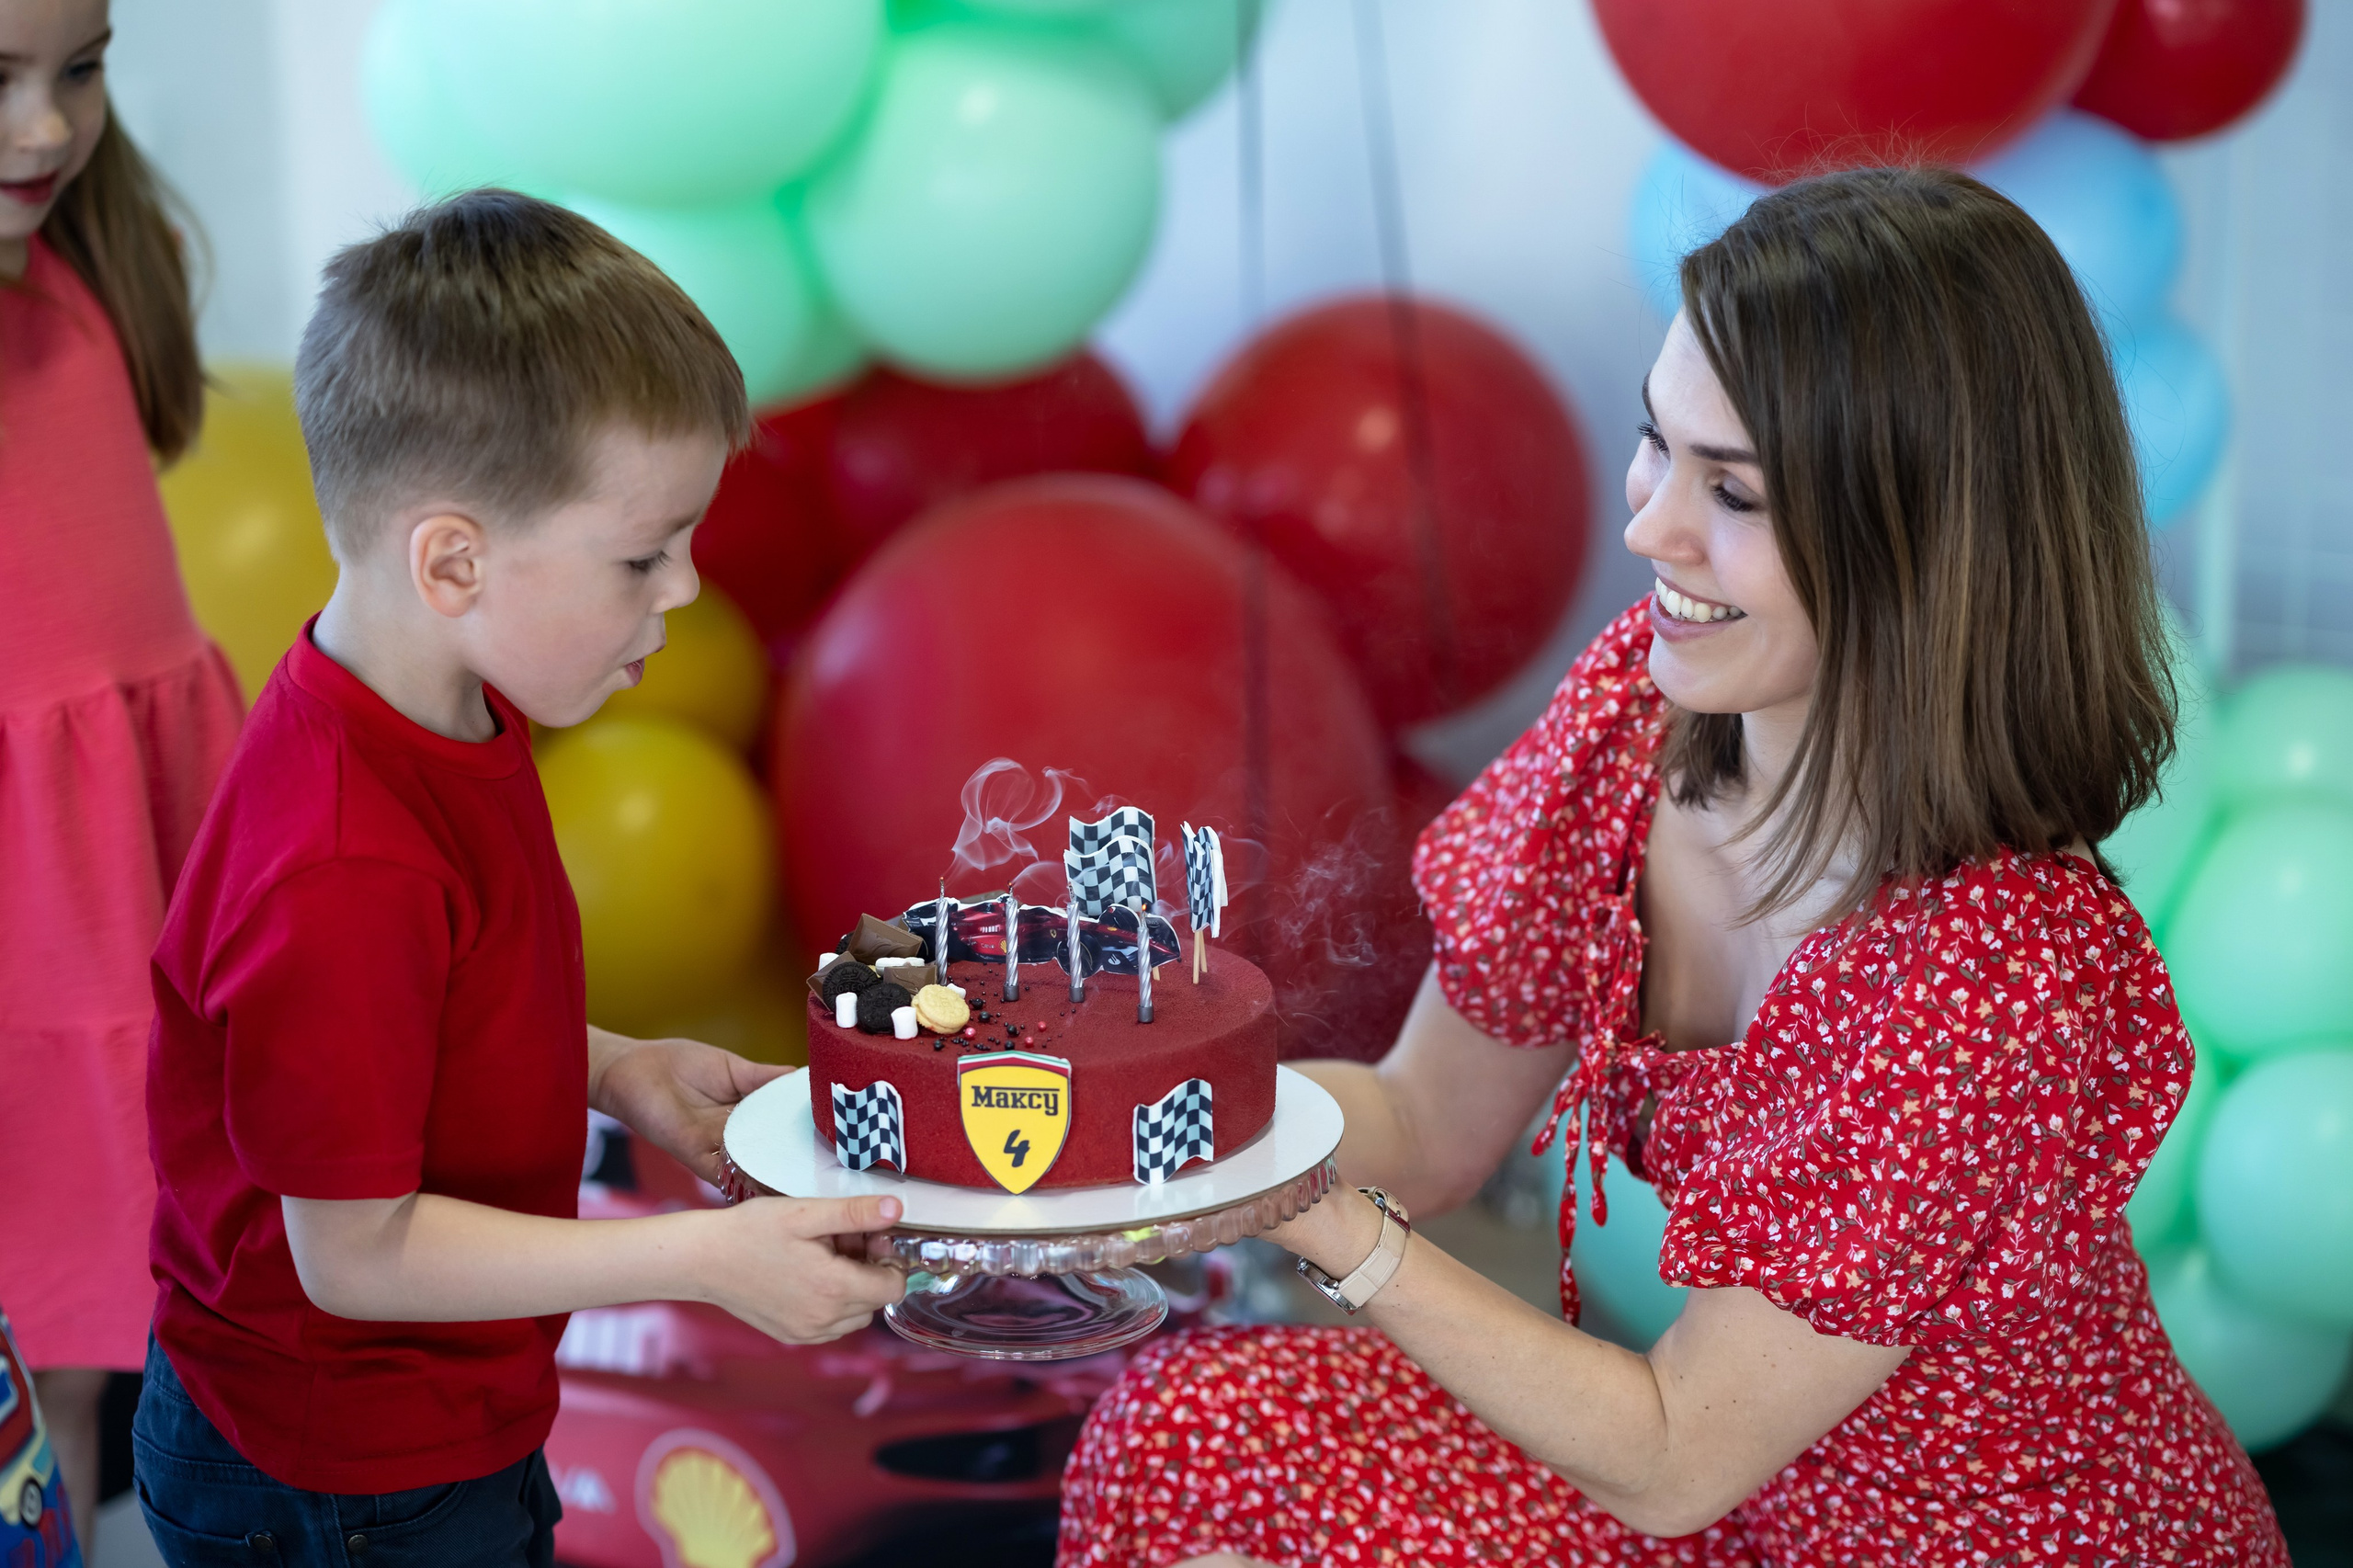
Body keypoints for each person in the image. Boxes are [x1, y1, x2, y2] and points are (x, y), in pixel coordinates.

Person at [1057, 166, 2289, 1566]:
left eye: (1736, 492)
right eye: (1660, 444)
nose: (1650, 529)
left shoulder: (1998, 972)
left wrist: (1324, 1226)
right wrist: (1126, 1120)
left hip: (1966, 1538)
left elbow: (1667, 1457)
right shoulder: (1639, 724)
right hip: (1747, 1515)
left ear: (1927, 546)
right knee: (1184, 1436)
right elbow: (1428, 1119)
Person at [134, 190, 906, 1565]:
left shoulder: (444, 708)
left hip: (434, 1425)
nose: (683, 593)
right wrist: (702, 1262)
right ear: (452, 562)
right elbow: (354, 1254)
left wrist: (609, 1069)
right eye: (639, 555)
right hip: (341, 1475)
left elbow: (428, 1020)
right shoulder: (339, 861)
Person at [0, 0, 244, 1544]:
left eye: (79, 72)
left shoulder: (84, 266)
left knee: (98, 1312)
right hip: (24, 918)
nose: (43, 128)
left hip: (127, 880)